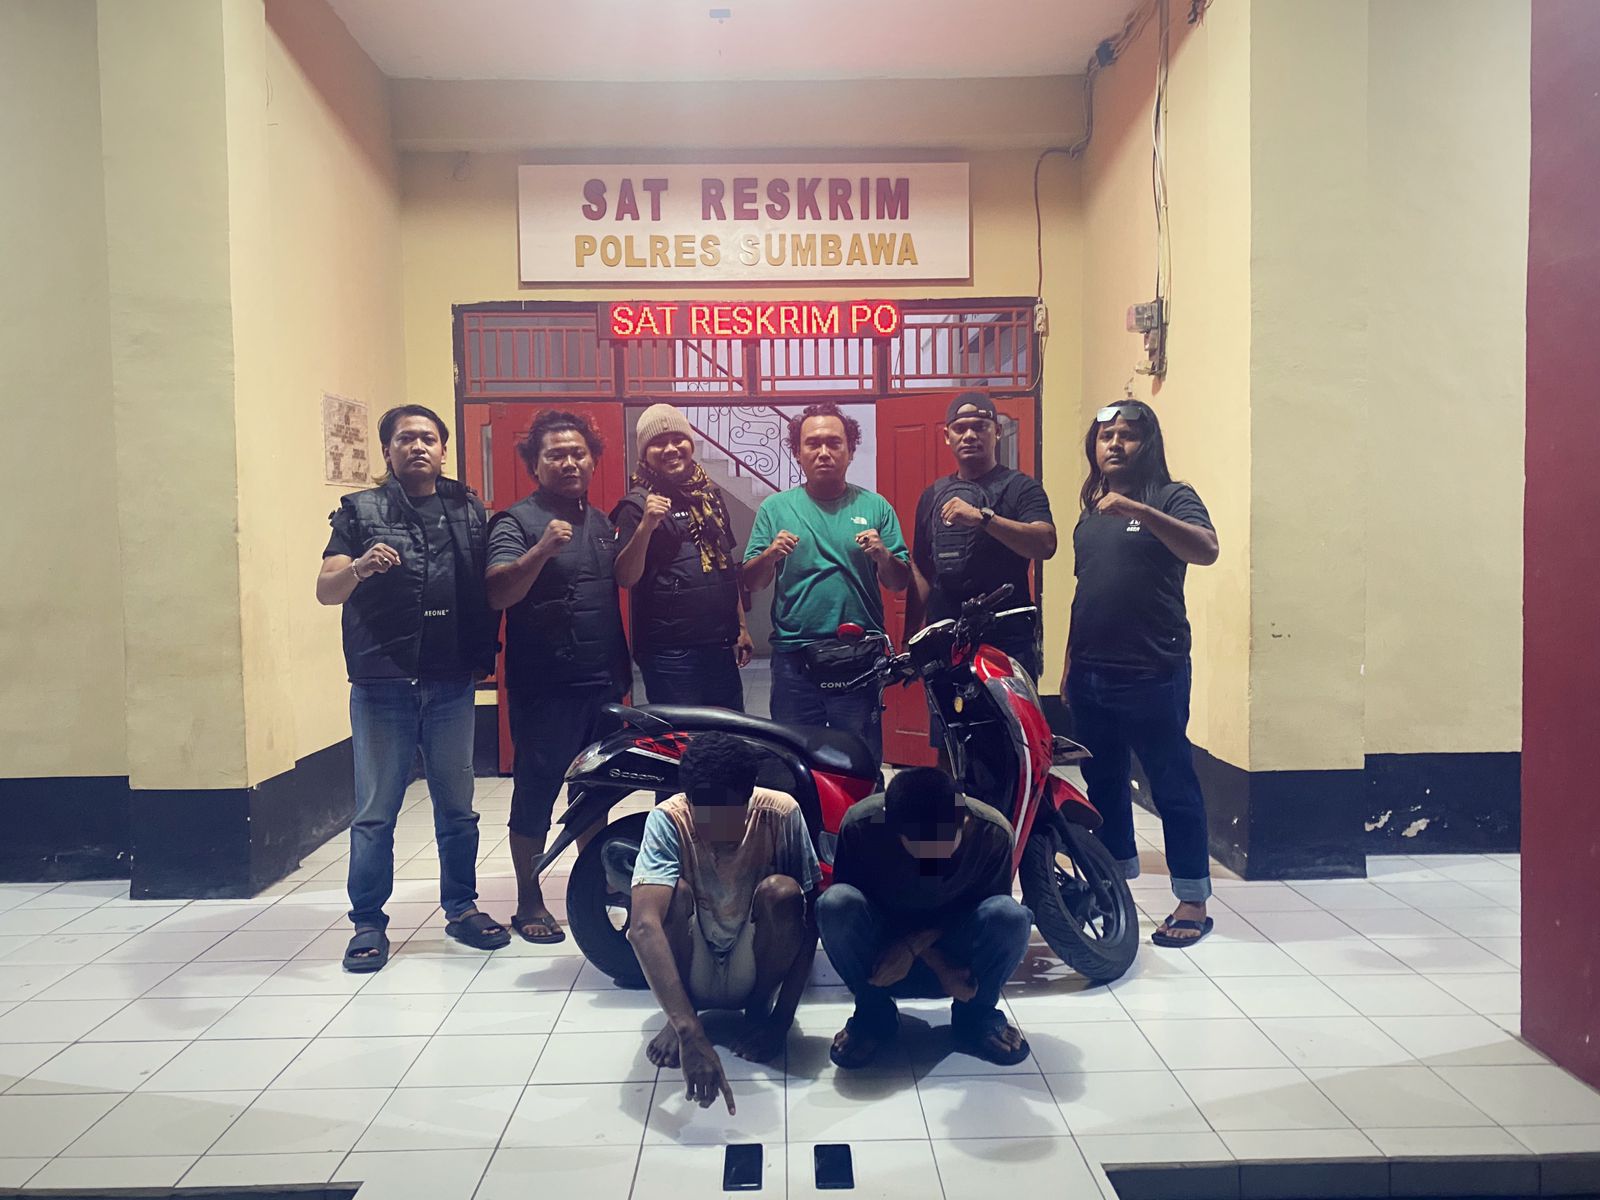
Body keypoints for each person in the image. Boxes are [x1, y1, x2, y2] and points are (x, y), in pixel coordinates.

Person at [317, 404, 510, 972]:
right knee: (376, 812)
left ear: (443, 450)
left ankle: (461, 908)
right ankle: (368, 922)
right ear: (388, 451)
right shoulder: (360, 510)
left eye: (428, 438)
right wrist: (359, 568)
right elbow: (326, 590)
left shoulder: (468, 509)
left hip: (451, 681)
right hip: (383, 683)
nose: (418, 446)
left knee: (458, 809)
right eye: (405, 439)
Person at [1058, 400, 1220, 947]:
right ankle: (1113, 882)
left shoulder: (1172, 497)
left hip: (1154, 672)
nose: (1114, 444)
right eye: (1105, 436)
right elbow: (1087, 592)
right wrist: (1069, 664)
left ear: (1147, 444)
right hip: (1091, 674)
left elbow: (1206, 549)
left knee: (1172, 785)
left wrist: (1140, 511)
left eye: (1126, 435)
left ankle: (1192, 900)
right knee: (1103, 785)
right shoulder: (1090, 512)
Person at [486, 411, 630, 945]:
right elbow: (498, 592)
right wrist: (542, 549)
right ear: (535, 463)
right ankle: (528, 898)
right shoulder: (515, 522)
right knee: (537, 792)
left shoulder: (601, 522)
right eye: (555, 454)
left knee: (595, 791)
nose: (569, 462)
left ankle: (594, 886)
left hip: (603, 682)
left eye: (577, 453)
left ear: (592, 460)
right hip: (544, 687)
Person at [625, 733, 821, 1113]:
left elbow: (809, 921)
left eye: (728, 814)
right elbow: (643, 928)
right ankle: (681, 1012)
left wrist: (781, 1022)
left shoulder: (781, 813)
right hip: (695, 956)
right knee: (672, 895)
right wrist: (688, 1031)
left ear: (749, 796)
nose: (715, 828)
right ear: (689, 800)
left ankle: (759, 1011)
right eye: (705, 815)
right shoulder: (667, 819)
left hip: (754, 959)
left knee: (783, 893)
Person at [816, 767, 1032, 1068]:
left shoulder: (992, 834)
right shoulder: (862, 827)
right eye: (922, 852)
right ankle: (873, 1016)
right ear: (895, 831)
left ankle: (977, 1016)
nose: (934, 862)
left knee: (1010, 916)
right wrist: (914, 951)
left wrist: (927, 955)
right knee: (835, 904)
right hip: (884, 961)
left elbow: (989, 918)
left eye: (944, 851)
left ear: (964, 821)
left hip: (958, 969)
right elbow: (853, 915)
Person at [742, 402, 910, 763]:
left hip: (858, 657)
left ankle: (859, 804)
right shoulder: (775, 508)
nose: (823, 452)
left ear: (850, 451)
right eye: (812, 443)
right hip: (794, 661)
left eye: (834, 443)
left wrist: (883, 554)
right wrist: (770, 554)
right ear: (797, 452)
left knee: (859, 760)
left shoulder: (876, 506)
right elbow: (753, 583)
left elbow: (899, 582)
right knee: (796, 762)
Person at [908, 391, 1057, 687]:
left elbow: (1045, 544)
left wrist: (983, 519)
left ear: (997, 432)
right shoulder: (932, 495)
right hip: (946, 642)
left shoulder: (1021, 487)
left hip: (1006, 641)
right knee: (946, 718)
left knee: (1008, 719)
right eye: (960, 428)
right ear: (947, 436)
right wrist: (910, 637)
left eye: (980, 427)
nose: (970, 435)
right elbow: (922, 570)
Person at [613, 403, 754, 709]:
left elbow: (725, 565)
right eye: (658, 443)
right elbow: (625, 576)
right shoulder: (635, 506)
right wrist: (646, 527)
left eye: (678, 439)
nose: (670, 449)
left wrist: (741, 627)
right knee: (683, 735)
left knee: (728, 732)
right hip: (670, 653)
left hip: (719, 645)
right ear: (644, 454)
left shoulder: (709, 497)